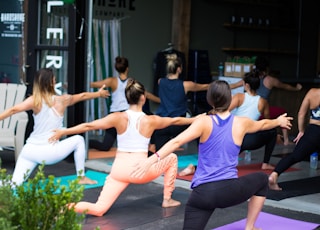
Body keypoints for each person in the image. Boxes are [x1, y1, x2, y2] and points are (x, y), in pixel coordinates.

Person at [131, 80, 292, 230]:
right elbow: (263, 124)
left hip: (202, 195)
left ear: (210, 100)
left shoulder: (203, 122)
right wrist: (278, 122)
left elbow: (176, 142)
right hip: (228, 192)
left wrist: (150, 160)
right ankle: (250, 227)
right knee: (262, 180)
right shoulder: (241, 122)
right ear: (230, 99)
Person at [48, 79, 200, 217]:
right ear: (143, 98)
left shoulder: (117, 117)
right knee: (172, 157)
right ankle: (167, 199)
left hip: (118, 171)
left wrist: (63, 131)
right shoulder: (150, 120)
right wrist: (196, 119)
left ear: (127, 99)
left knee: (99, 209)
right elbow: (176, 120)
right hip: (140, 172)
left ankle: (66, 207)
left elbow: (89, 125)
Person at [0, 68, 110, 186]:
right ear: (52, 83)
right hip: (50, 153)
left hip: (29, 150)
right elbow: (82, 96)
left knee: (14, 184)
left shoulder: (34, 100)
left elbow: (13, 110)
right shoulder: (62, 100)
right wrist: (99, 93)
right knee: (79, 140)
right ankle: (81, 177)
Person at [178, 70, 277, 176]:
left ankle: (195, 168)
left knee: (219, 163)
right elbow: (267, 121)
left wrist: (207, 115)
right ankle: (265, 163)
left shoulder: (240, 97)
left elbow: (222, 110)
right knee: (273, 131)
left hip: (234, 136)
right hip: (250, 140)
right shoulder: (263, 101)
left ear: (246, 85)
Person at [89, 56, 160, 151]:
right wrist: (161, 100)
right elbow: (147, 95)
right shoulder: (131, 82)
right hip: (125, 116)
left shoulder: (112, 81)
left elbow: (93, 84)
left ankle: (87, 142)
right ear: (127, 68)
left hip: (117, 116)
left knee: (105, 146)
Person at [230, 56, 302, 145]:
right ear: (267, 68)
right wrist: (296, 89)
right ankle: (286, 141)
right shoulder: (270, 80)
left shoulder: (249, 79)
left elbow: (233, 85)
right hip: (262, 111)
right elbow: (285, 86)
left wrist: (218, 88)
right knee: (283, 112)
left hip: (251, 115)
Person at [153, 53, 209, 151]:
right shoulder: (186, 85)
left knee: (160, 155)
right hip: (179, 124)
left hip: (162, 124)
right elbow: (205, 87)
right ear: (179, 69)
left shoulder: (160, 81)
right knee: (201, 128)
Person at [269, 87, 320, 190]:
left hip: (313, 131)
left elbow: (301, 114)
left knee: (295, 156)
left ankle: (274, 175)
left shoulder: (312, 92)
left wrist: (301, 131)